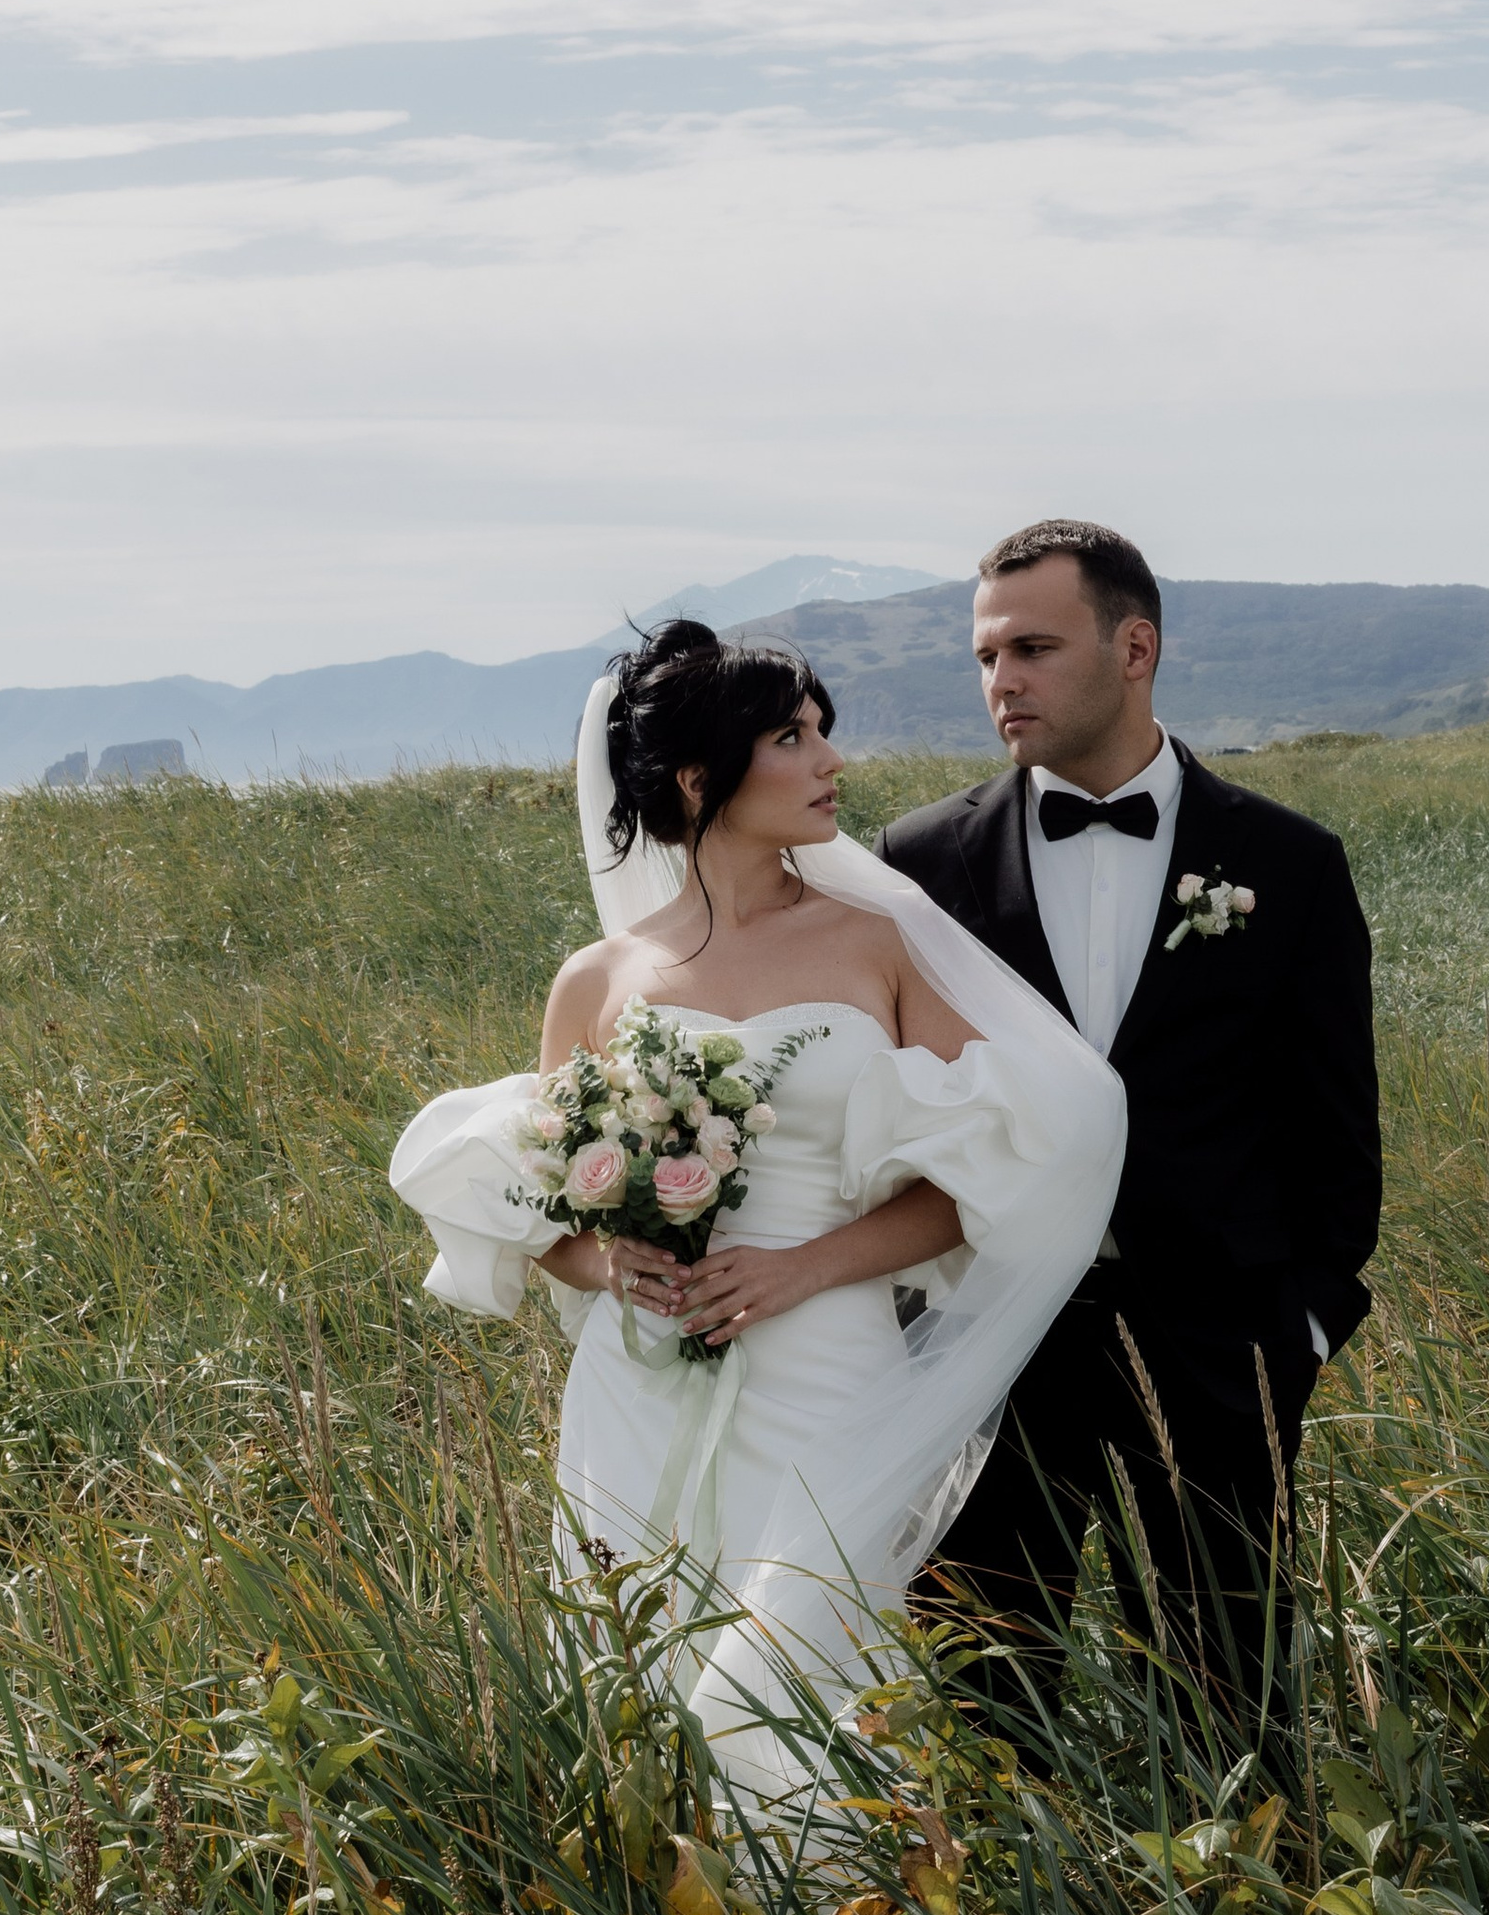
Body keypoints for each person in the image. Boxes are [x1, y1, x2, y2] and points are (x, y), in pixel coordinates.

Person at [389, 620, 1126, 1828]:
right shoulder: (600, 979)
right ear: (698, 779)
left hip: (831, 1362)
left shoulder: (872, 945)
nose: (830, 758)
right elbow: (546, 1206)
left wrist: (803, 1268)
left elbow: (993, 1170)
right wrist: (612, 1263)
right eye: (794, 735)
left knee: (810, 1656)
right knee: (643, 1649)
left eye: (822, 728)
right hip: (641, 1375)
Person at [876, 520, 1380, 1727]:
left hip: (1218, 1348)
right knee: (984, 1700)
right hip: (990, 1350)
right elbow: (889, 1118)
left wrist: (1298, 1329)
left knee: (1228, 1701)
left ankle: (1235, 1909)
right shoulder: (920, 863)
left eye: (1035, 648)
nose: (1003, 681)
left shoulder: (1287, 863)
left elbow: (1334, 1129)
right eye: (987, 655)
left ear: (1135, 645)